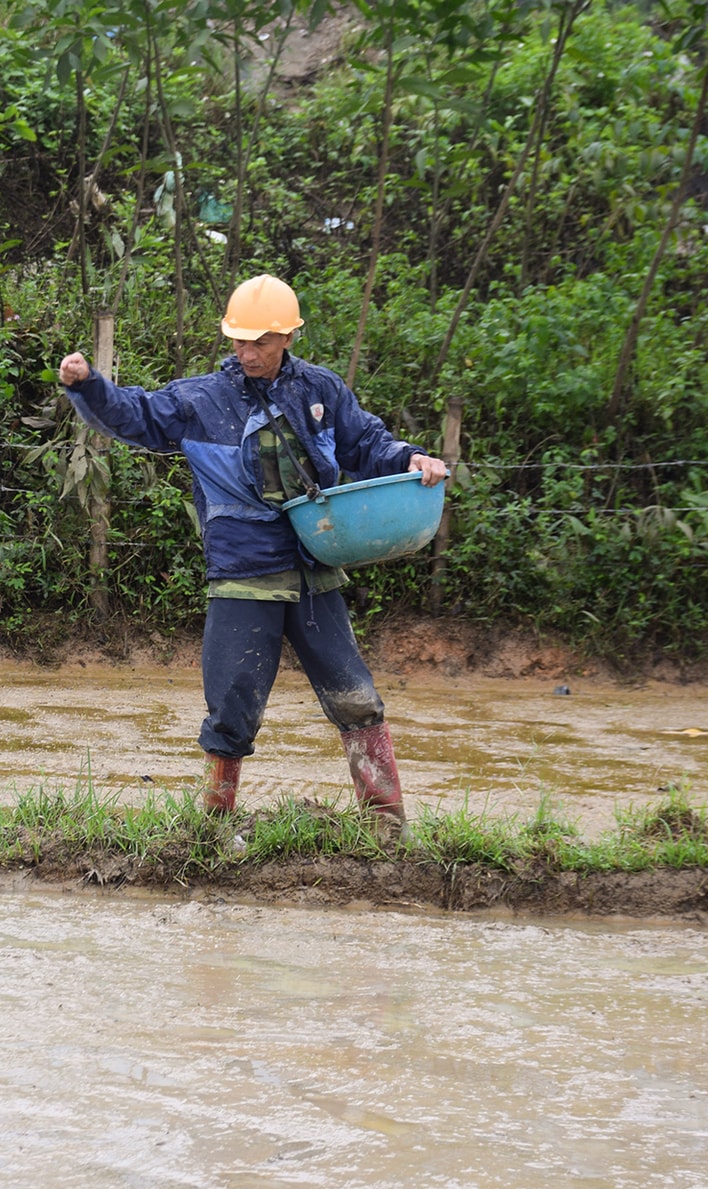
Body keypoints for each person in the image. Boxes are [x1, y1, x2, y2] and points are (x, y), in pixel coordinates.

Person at [57, 274, 447, 827]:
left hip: (316, 571)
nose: (248, 353)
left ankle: (387, 828)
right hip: (243, 574)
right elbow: (136, 415)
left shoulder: (320, 391)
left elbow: (368, 443)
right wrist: (89, 387)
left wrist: (412, 459)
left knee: (356, 697)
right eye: (239, 341)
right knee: (233, 708)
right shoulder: (200, 400)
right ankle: (212, 832)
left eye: (260, 341)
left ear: (287, 337)